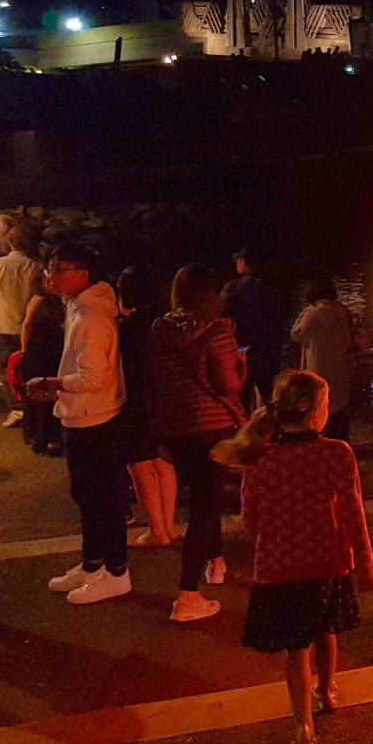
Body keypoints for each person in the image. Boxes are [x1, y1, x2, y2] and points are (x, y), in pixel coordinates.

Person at [215, 370, 373, 744]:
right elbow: (353, 511)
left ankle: (302, 725)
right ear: (312, 410)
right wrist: (364, 562)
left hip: (278, 566)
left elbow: (250, 517)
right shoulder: (336, 453)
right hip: (327, 562)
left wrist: (273, 543)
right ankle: (327, 690)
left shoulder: (260, 458)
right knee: (325, 628)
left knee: (295, 647)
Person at [25, 243, 132, 606]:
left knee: (102, 498)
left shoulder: (91, 316)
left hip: (94, 418)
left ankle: (117, 572)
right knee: (86, 496)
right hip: (82, 415)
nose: (50, 277)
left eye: (58, 269)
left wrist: (52, 384)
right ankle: (92, 563)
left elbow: (93, 377)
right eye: (49, 269)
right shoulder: (79, 308)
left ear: (83, 274)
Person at [150, 264, 248, 622]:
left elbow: (156, 379)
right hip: (213, 426)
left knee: (202, 499)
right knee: (205, 509)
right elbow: (227, 386)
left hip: (176, 427)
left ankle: (216, 563)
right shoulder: (218, 331)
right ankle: (187, 595)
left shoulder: (160, 329)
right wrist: (241, 365)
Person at [117, 266, 177, 548]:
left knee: (140, 466)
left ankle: (157, 530)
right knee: (164, 463)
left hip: (137, 402)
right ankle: (170, 525)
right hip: (166, 402)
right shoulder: (165, 324)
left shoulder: (127, 329)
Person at [0, 225, 40, 424]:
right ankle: (33, 408)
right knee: (29, 369)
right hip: (30, 327)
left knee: (6, 369)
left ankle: (17, 408)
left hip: (3, 326)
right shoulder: (34, 266)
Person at [290, 279, 356, 443]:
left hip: (318, 369)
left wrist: (304, 313)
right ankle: (342, 445)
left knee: (319, 408)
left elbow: (296, 334)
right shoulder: (341, 310)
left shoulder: (312, 315)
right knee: (340, 409)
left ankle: (320, 446)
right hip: (341, 368)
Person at [222, 247, 281, 412]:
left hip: (243, 349)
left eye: (237, 261)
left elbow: (223, 317)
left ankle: (245, 433)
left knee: (242, 398)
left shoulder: (232, 289)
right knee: (269, 398)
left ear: (243, 263)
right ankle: (272, 433)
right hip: (266, 350)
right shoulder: (269, 288)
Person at [18, 274, 67, 455]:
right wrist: (24, 351)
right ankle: (42, 438)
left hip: (52, 350)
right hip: (39, 351)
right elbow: (27, 326)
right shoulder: (38, 300)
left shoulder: (58, 300)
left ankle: (47, 438)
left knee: (49, 394)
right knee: (40, 394)